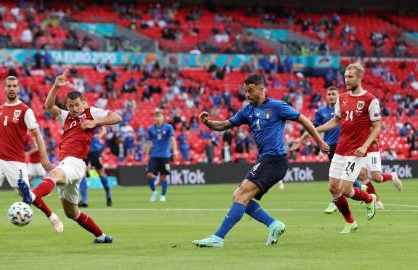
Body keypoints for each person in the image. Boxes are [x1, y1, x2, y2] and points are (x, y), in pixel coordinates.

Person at [192, 73, 329, 248]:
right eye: (245, 91)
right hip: (266, 160)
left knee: (241, 194)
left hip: (275, 159)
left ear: (261, 89)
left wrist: (319, 141)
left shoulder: (277, 106)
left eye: (250, 91)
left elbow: (303, 119)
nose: (247, 95)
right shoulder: (247, 111)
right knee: (239, 196)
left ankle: (218, 238)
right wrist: (208, 122)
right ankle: (274, 225)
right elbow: (225, 124)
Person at [18, 69, 122, 244]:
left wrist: (95, 122)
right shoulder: (66, 117)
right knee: (71, 213)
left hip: (76, 162)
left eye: (77, 105)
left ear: (83, 103)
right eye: (70, 106)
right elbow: (49, 106)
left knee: (53, 175)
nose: (74, 109)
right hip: (67, 163)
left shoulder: (91, 113)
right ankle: (102, 236)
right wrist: (56, 87)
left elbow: (116, 117)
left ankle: (31, 196)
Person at [0, 76, 59, 237]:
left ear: (18, 88)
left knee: (26, 194)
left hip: (15, 160)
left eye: (14, 86)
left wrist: (44, 159)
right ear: (4, 88)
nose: (12, 88)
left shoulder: (25, 110)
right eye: (9, 86)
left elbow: (37, 135)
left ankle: (52, 216)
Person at [311, 63, 380, 233]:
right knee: (333, 188)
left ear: (359, 78)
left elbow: (377, 126)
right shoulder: (341, 98)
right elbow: (336, 121)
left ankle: (369, 199)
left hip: (356, 152)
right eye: (345, 76)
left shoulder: (371, 100)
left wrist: (365, 147)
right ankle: (350, 222)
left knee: (345, 189)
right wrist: (314, 130)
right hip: (340, 149)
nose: (346, 80)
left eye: (350, 77)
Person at [144, 108, 178, 202]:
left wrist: (175, 150)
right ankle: (154, 192)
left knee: (163, 176)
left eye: (159, 116)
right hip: (154, 156)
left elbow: (172, 139)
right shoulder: (150, 129)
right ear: (153, 118)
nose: (157, 118)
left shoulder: (168, 127)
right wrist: (146, 155)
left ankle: (163, 195)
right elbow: (148, 142)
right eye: (156, 116)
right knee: (150, 174)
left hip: (165, 156)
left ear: (163, 117)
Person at [79, 127, 113, 208]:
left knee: (100, 172)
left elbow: (104, 129)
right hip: (85, 150)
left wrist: (99, 135)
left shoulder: (93, 117)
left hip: (93, 149)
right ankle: (84, 200)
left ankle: (108, 195)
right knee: (82, 174)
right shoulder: (84, 118)